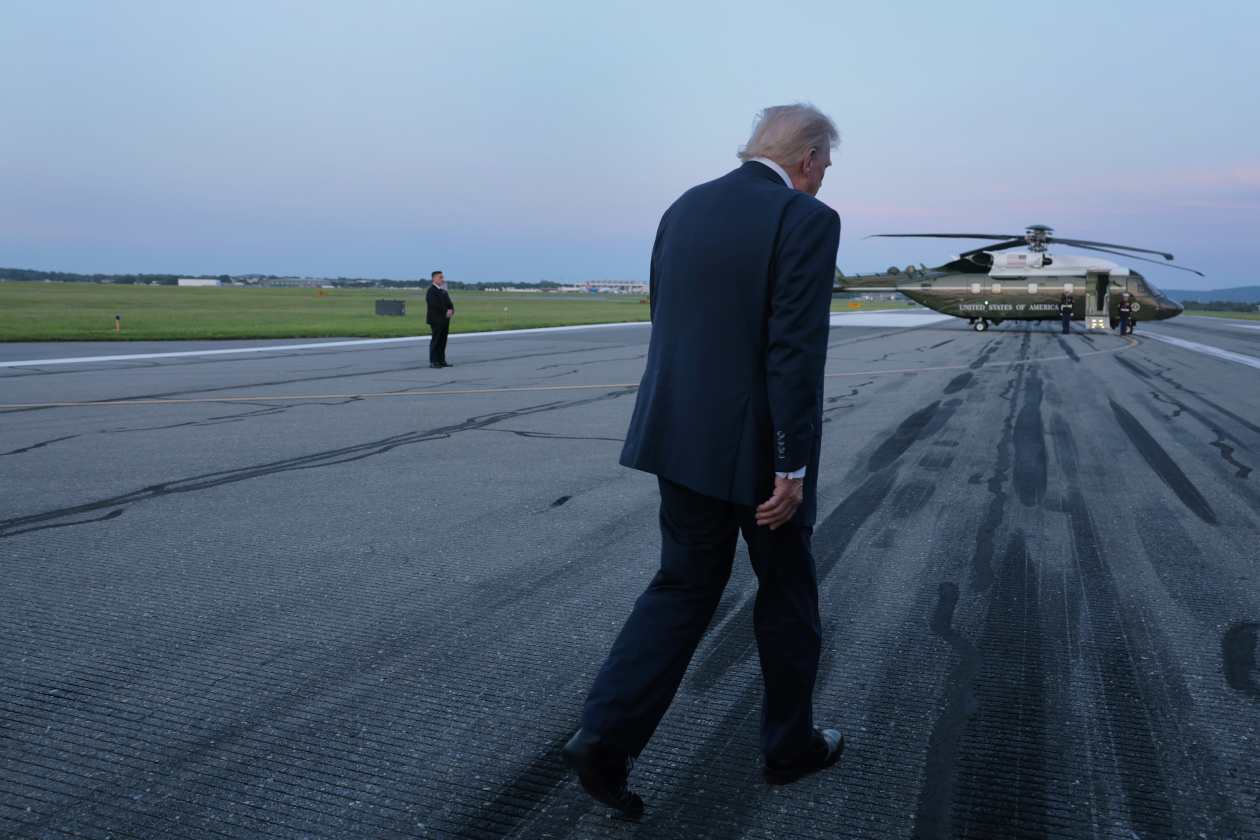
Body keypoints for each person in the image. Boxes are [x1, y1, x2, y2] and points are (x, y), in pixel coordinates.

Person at [562, 104, 845, 817]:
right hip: (756, 454)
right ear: (807, 158)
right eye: (826, 166)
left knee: (682, 587)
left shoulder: (682, 208)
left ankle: (603, 737)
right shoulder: (806, 219)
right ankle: (789, 747)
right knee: (787, 594)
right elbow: (793, 350)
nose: (822, 179)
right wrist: (793, 465)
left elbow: (671, 321)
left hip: (678, 439)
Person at [425, 270, 454, 367]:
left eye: (442, 277)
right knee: (436, 340)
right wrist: (445, 311)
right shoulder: (431, 291)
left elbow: (449, 303)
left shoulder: (443, 291)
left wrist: (451, 310)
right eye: (440, 277)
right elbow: (434, 305)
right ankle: (433, 361)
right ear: (434, 278)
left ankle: (441, 360)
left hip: (445, 320)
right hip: (436, 319)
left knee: (443, 341)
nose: (442, 279)